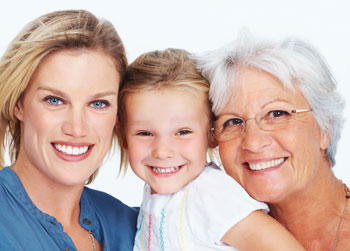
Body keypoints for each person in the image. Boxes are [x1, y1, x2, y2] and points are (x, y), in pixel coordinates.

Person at [117, 48, 305, 250]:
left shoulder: (211, 194)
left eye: (183, 132)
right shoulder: (155, 193)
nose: (162, 152)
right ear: (123, 136)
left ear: (212, 134)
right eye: (145, 133)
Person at [196, 34, 349, 250]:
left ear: (324, 129)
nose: (253, 142)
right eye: (233, 121)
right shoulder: (200, 236)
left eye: (277, 114)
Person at [0, 10, 137, 251]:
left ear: (117, 115)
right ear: (18, 104)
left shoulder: (135, 227)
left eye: (98, 104)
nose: (76, 128)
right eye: (54, 100)